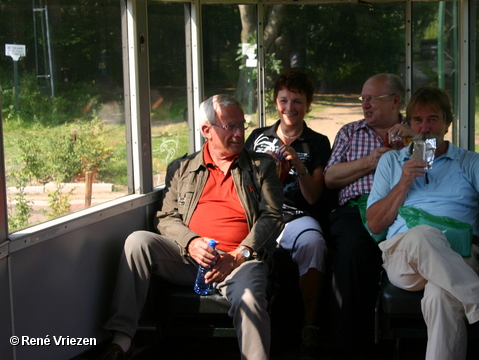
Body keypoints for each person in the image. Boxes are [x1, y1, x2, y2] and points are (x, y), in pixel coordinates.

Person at [98, 94, 284, 360]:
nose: (240, 133)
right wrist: (190, 242)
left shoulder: (260, 166)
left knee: (250, 298)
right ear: (206, 130)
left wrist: (238, 255)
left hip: (240, 262)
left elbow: (273, 217)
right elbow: (165, 217)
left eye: (242, 125)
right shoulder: (182, 168)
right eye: (230, 126)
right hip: (187, 260)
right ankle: (122, 340)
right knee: (138, 242)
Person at [366, 86, 479, 360]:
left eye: (433, 119)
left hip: (458, 255)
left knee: (442, 296)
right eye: (418, 120)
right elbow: (376, 224)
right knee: (423, 233)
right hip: (405, 257)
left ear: (447, 124)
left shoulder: (468, 161)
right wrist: (403, 183)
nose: (425, 128)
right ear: (409, 125)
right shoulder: (392, 161)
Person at [245, 70, 331, 359]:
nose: (290, 108)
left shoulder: (317, 142)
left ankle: (310, 324)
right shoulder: (258, 138)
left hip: (296, 214)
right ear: (275, 102)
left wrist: (299, 166)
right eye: (284, 100)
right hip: (259, 213)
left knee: (314, 243)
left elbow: (314, 196)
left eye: (297, 101)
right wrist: (262, 170)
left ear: (308, 104)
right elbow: (239, 183)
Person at [323, 73, 407, 359]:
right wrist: (373, 161)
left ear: (395, 101)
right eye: (363, 98)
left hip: (403, 209)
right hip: (355, 209)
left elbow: (432, 173)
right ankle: (346, 346)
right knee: (352, 252)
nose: (365, 104)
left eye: (372, 98)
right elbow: (330, 177)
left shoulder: (415, 133)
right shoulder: (350, 132)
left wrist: (409, 143)